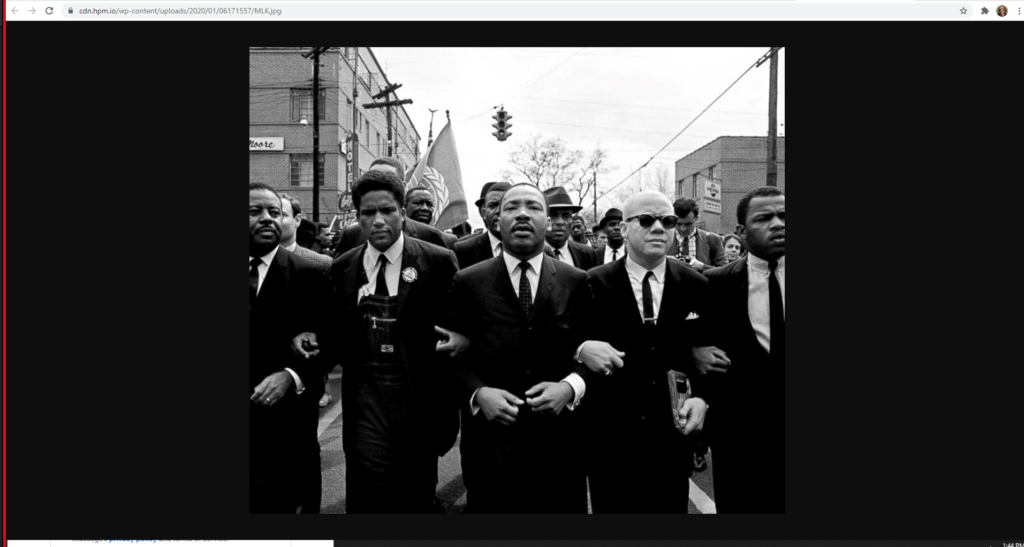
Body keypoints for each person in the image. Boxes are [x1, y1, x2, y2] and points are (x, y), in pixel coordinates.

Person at [293, 169, 467, 513]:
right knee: (366, 498)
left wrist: (460, 336)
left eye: (387, 210)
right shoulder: (343, 268)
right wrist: (312, 337)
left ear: (402, 212)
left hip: (419, 405)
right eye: (368, 212)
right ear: (357, 218)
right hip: (365, 406)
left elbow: (457, 323)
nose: (378, 220)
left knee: (414, 498)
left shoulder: (438, 260)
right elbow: (335, 330)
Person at [438, 183, 594, 513]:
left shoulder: (576, 281)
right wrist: (478, 394)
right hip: (490, 445)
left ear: (548, 219)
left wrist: (569, 388)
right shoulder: (468, 281)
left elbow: (592, 353)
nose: (522, 213)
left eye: (533, 207)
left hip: (559, 448)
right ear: (497, 219)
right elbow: (448, 358)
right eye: (512, 207)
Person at [577, 191, 711, 513]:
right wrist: (580, 348)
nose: (658, 229)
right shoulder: (591, 283)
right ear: (624, 229)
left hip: (671, 439)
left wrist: (702, 398)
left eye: (667, 222)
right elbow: (566, 339)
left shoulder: (696, 284)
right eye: (646, 220)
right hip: (612, 439)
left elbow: (705, 356)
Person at [697, 186, 785, 513]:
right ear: (740, 231)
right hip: (740, 439)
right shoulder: (716, 283)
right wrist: (695, 349)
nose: (778, 224)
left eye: (784, 216)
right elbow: (692, 336)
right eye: (765, 218)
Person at [249, 183, 332, 514]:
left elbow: (332, 340)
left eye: (275, 212)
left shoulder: (310, 272)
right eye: (256, 211)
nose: (268, 218)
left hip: (285, 423)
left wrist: (292, 374)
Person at [333, 157, 456, 258]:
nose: (379, 184)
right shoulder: (351, 235)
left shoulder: (434, 238)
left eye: (388, 178)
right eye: (373, 177)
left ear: (402, 187)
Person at [452, 182, 512, 269]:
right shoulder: (462, 250)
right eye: (493, 205)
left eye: (507, 205)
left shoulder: (532, 247)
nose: (499, 211)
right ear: (483, 212)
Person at [543, 186, 598, 271]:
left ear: (572, 221)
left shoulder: (587, 254)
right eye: (553, 215)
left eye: (566, 216)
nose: (560, 222)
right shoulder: (530, 254)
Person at [667, 198, 727, 274]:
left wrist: (703, 267)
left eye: (688, 224)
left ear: (696, 218)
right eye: (678, 224)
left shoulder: (713, 240)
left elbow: (725, 273)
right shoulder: (664, 239)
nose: (683, 228)